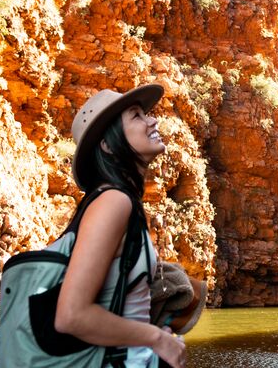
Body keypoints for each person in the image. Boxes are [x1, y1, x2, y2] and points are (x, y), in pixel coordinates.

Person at [53, 84, 187, 368]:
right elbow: (71, 315)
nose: (153, 120)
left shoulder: (118, 200)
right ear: (106, 143)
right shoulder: (114, 201)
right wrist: (156, 338)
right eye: (137, 116)